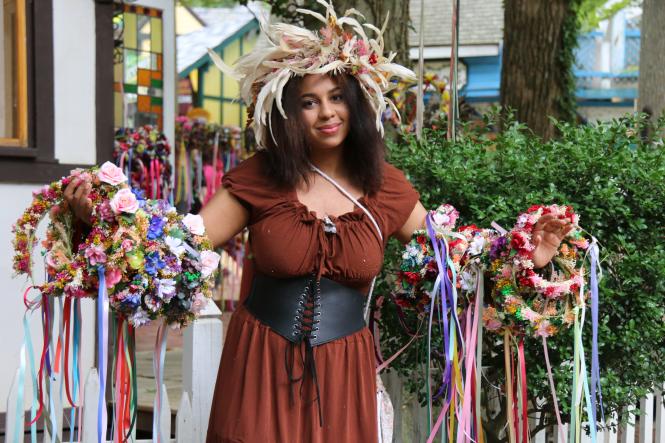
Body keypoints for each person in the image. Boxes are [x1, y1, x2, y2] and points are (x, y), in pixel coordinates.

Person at [64, 3, 571, 442]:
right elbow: (178, 246)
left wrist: (525, 254)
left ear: (356, 104)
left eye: (335, 98)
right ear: (289, 113)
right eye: (309, 101)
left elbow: (455, 256)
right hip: (260, 363)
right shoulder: (261, 177)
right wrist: (107, 218)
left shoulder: (386, 187)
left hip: (343, 370)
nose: (326, 112)